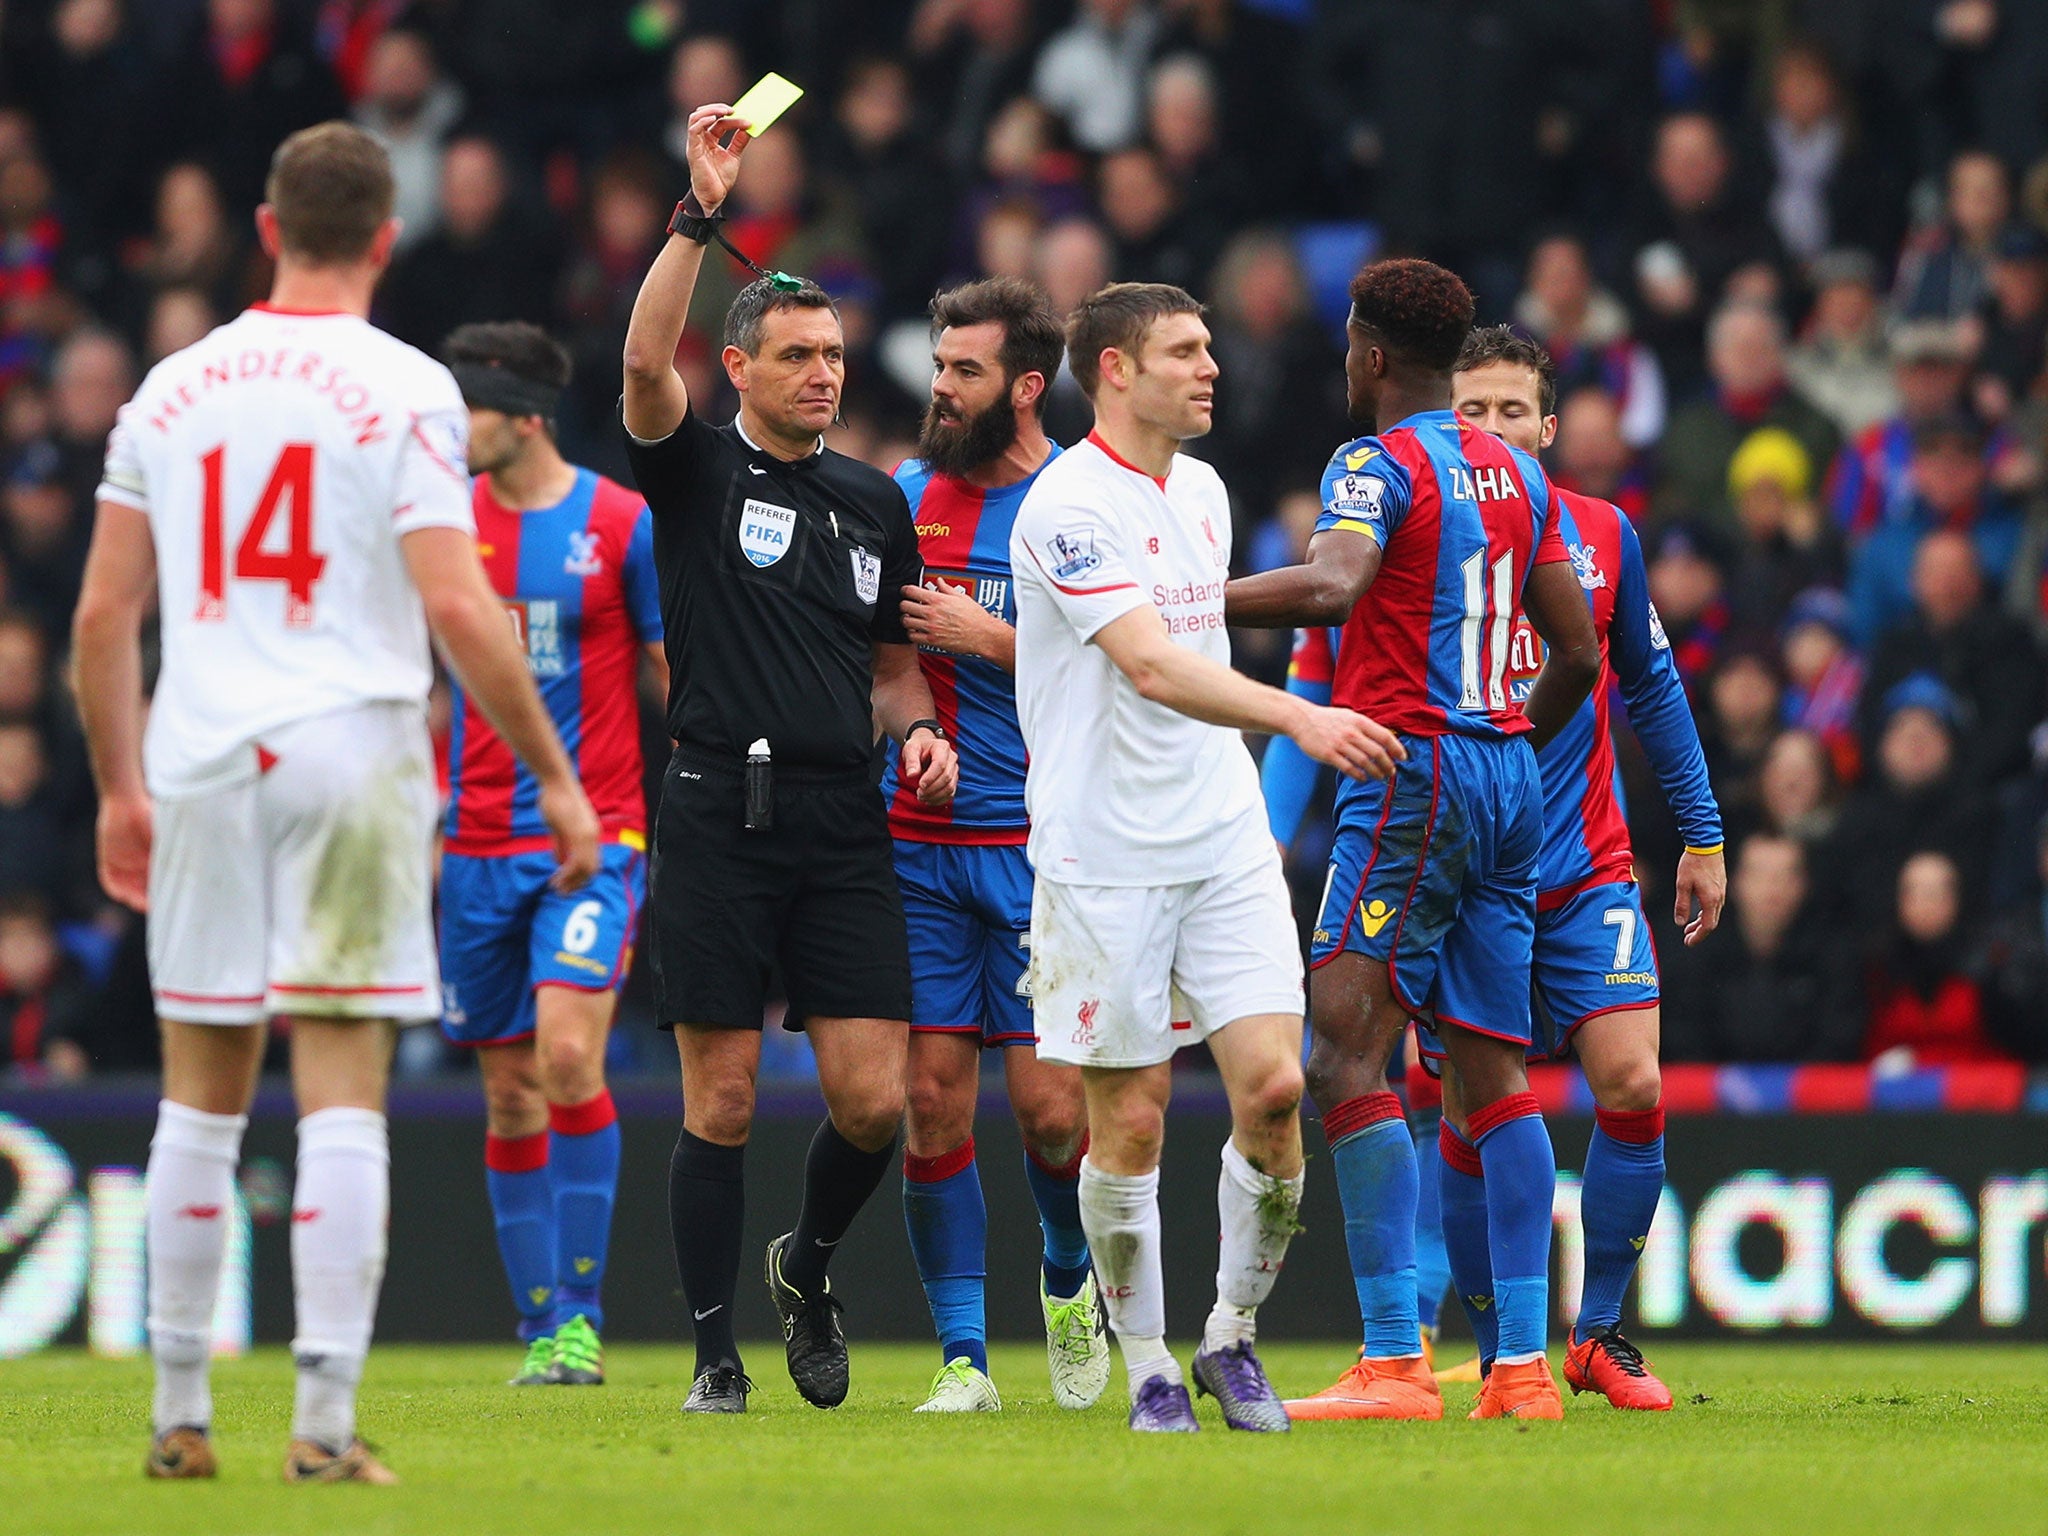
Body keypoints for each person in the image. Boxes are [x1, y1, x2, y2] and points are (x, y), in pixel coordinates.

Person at [70, 122, 601, 1484]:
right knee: (343, 1096)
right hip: (351, 751)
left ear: (263, 228)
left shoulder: (169, 391)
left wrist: (120, 788)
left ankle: (179, 1416)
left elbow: (104, 615)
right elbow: (453, 600)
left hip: (199, 753)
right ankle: (318, 1426)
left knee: (197, 1100)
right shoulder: (411, 390)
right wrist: (552, 772)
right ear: (384, 237)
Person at [1012, 282, 1399, 1434]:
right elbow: (1147, 663)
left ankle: (1229, 1337)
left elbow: (1190, 650)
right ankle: (1143, 1364)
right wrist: (1294, 718)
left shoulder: (1206, 490)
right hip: (1101, 854)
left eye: (1209, 347)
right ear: (1115, 371)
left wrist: (1259, 743)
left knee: (1277, 1091)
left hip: (1218, 834)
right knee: (1127, 1120)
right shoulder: (1065, 504)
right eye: (1184, 351)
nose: (1210, 366)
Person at [619, 102, 959, 1416]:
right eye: (799, 355)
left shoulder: (879, 503)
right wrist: (699, 215)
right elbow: (647, 361)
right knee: (725, 1095)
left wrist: (921, 727)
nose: (826, 372)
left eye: (833, 353)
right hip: (715, 810)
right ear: (742, 368)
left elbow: (893, 663)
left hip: (840, 820)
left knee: (878, 1104)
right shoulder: (695, 474)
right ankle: (714, 1355)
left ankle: (804, 1267)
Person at [1224, 258, 1601, 1423]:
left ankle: (1393, 1360)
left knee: (1341, 1051)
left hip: (1412, 772)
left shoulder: (1370, 464)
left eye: (1347, 343)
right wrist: (1502, 739)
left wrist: (1189, 597)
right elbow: (1579, 657)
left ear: (1371, 354)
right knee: (1493, 1072)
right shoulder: (1520, 475)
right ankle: (1523, 1371)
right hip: (1507, 776)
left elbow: (1334, 590)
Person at [1447, 326, 1726, 1410]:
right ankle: (1496, 1349)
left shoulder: (1601, 536)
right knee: (1469, 1111)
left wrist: (1700, 833)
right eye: (1471, 409)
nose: (1492, 429)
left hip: (1584, 868)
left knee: (1634, 1083)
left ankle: (1597, 1332)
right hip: (1465, 878)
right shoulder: (1423, 545)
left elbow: (1650, 689)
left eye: (1511, 410)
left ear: (1548, 427)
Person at [885, 277, 1105, 1414]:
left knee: (1051, 1110)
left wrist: (995, 640)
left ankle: (1067, 1278)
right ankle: (962, 1358)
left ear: (1025, 385)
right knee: (928, 1096)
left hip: (1041, 847)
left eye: (964, 371)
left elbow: (1130, 673)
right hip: (916, 843)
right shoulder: (903, 495)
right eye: (938, 366)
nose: (940, 387)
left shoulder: (1084, 500)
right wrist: (916, 724)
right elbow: (877, 659)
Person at [435, 320, 667, 1389]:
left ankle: (580, 1316)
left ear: (521, 416)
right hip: (473, 842)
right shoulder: (439, 527)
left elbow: (672, 672)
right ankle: (538, 1330)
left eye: (466, 406)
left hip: (594, 836)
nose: (449, 425)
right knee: (509, 1096)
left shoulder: (619, 524)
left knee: (569, 1058)